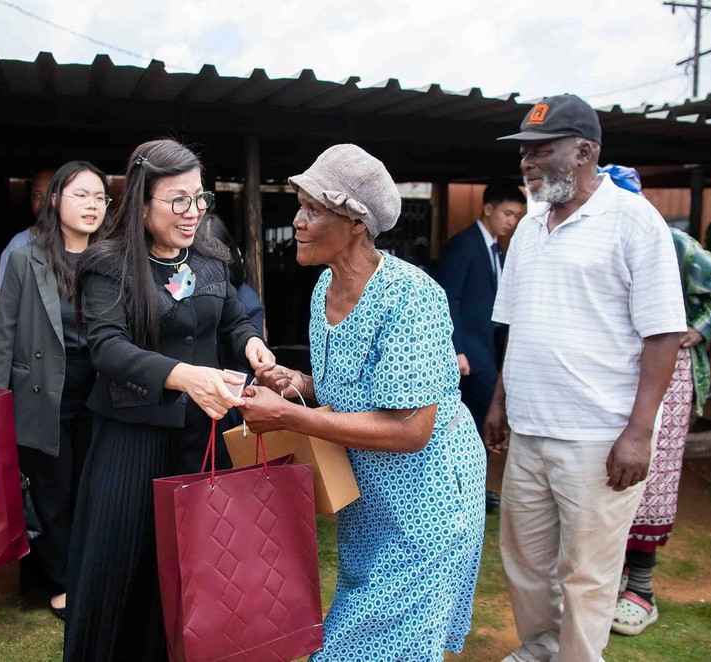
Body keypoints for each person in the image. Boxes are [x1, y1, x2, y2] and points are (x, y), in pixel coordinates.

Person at [239, 143, 487, 661]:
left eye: (312, 209)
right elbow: (352, 390)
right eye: (298, 206)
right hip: (370, 500)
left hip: (428, 500)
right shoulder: (323, 288)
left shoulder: (409, 295)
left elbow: (412, 429)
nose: (298, 222)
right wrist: (298, 384)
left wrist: (289, 415)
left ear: (355, 221)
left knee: (364, 645)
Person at [486, 94, 686, 662]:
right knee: (526, 562)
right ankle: (542, 647)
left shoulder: (633, 221)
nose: (527, 163)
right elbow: (515, 326)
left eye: (541, 150)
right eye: (524, 152)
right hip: (529, 428)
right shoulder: (529, 228)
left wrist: (638, 433)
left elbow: (664, 335)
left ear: (586, 152)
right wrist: (500, 401)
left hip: (598, 435)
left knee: (588, 571)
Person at [63, 139, 274, 661]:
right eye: (178, 200)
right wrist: (184, 376)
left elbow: (232, 318)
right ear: (141, 202)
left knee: (197, 566)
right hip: (131, 441)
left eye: (200, 199)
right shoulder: (107, 265)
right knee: (122, 569)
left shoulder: (210, 259)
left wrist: (250, 342)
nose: (193, 212)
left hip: (201, 439)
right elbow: (108, 348)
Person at [596, 166, 711, 635]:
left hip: (666, 377)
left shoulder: (671, 242)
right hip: (612, 373)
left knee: (651, 478)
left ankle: (642, 589)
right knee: (605, 475)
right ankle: (610, 579)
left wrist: (700, 329)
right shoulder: (592, 238)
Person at [0, 161, 110, 621]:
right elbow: (4, 333)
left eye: (99, 197)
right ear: (55, 200)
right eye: (81, 195)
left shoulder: (113, 258)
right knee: (50, 491)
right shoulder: (26, 257)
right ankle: (57, 583)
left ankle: (86, 574)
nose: (92, 205)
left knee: (91, 489)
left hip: (100, 389)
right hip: (42, 391)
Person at [437, 182, 525, 513]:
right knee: (481, 417)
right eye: (508, 213)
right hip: (470, 350)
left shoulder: (497, 249)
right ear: (488, 208)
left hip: (490, 345)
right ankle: (468, 487)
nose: (512, 221)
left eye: (518, 216)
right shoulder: (464, 244)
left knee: (479, 418)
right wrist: (456, 347)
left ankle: (472, 487)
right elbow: (448, 298)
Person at [0, 168, 56, 292]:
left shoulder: (77, 241)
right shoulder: (17, 245)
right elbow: (7, 304)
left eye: (51, 195)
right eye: (37, 195)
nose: (44, 203)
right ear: (30, 199)